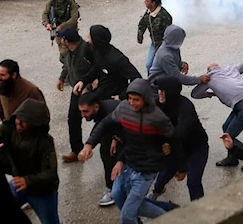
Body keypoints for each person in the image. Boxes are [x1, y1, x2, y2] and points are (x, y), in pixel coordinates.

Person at [78, 79, 186, 224]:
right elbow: (104, 124)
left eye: (136, 100)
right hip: (128, 163)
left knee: (127, 216)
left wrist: (181, 167)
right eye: (129, 99)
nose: (132, 103)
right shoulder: (123, 108)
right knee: (118, 196)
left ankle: (170, 219)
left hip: (147, 169)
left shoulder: (158, 118)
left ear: (145, 99)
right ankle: (171, 215)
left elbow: (174, 139)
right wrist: (89, 145)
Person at [0, 98, 60, 224]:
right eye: (18, 118)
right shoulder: (8, 128)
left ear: (35, 123)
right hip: (18, 184)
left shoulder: (45, 142)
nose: (19, 122)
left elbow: (51, 174)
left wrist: (27, 181)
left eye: (24, 121)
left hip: (43, 191)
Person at [149, 77, 208, 201]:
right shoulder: (157, 105)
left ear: (171, 91)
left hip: (196, 147)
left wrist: (182, 168)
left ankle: (200, 209)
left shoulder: (185, 107)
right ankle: (157, 191)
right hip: (174, 147)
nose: (160, 92)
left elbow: (179, 135)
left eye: (163, 90)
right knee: (162, 176)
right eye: (159, 90)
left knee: (193, 181)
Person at [191, 61, 243, 168]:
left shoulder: (209, 78)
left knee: (229, 136)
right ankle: (232, 158)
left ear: (208, 71)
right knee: (226, 127)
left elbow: (195, 94)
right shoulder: (231, 68)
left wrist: (210, 94)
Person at [55, 28, 94, 163]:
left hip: (91, 91)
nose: (60, 41)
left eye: (62, 38)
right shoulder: (69, 51)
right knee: (73, 118)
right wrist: (61, 78)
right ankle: (76, 150)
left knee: (98, 119)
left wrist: (88, 87)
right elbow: (66, 66)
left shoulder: (86, 50)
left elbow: (96, 70)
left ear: (66, 40)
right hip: (76, 89)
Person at [72, 25, 142, 100]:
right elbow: (97, 68)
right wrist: (83, 81)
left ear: (96, 40)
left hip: (112, 98)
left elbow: (137, 79)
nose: (88, 41)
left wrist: (122, 96)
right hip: (102, 91)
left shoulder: (117, 59)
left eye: (90, 37)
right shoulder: (98, 52)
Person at [77, 94, 121, 206]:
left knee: (109, 153)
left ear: (96, 107)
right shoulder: (101, 110)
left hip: (125, 132)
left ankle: (113, 189)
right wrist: (89, 145)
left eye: (85, 111)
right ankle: (112, 186)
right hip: (114, 130)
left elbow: (118, 125)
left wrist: (116, 138)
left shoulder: (110, 110)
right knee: (106, 151)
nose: (83, 115)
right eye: (81, 111)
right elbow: (100, 126)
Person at [148, 24, 210, 89]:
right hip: (157, 87)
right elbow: (177, 77)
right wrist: (199, 79)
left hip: (168, 83)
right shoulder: (165, 55)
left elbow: (172, 63)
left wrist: (181, 64)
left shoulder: (173, 47)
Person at [0, 59, 45, 127]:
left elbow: (43, 116)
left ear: (13, 75)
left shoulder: (31, 90)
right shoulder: (0, 82)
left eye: (2, 75)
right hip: (8, 129)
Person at [41, 0, 80, 70]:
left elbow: (74, 18)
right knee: (63, 52)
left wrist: (62, 26)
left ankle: (68, 71)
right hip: (57, 29)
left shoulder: (71, 1)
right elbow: (45, 13)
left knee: (69, 52)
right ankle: (69, 69)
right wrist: (47, 24)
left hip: (70, 29)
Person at [137, 0, 173, 75]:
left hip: (165, 45)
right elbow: (143, 23)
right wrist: (140, 36)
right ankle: (151, 83)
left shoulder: (164, 16)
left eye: (147, 1)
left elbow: (168, 35)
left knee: (165, 65)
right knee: (149, 65)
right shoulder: (149, 12)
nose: (144, 2)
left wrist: (159, 50)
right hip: (154, 43)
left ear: (153, 4)